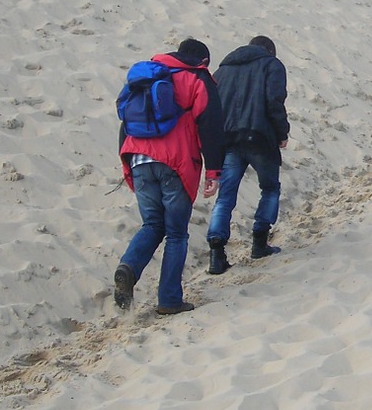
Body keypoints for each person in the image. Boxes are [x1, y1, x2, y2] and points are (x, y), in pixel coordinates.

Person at [114, 38, 225, 315]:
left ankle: (128, 267)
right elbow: (210, 124)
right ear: (203, 60)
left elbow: (125, 122)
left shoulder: (146, 74)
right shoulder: (197, 77)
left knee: (152, 224)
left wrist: (128, 165)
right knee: (176, 233)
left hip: (137, 157)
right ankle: (169, 299)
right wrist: (213, 170)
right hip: (175, 162)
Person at [205, 36, 290, 274]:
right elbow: (274, 102)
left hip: (229, 138)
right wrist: (282, 132)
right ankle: (259, 242)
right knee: (270, 188)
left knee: (225, 196)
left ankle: (216, 252)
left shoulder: (223, 69)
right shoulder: (272, 65)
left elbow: (213, 106)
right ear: (269, 51)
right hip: (260, 137)